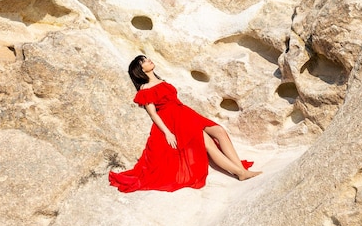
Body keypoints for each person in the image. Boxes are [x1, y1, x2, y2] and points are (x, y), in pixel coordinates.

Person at [109, 55, 261, 192]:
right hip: (174, 120)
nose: (148, 60)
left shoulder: (161, 80)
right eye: (144, 61)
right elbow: (153, 114)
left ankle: (240, 168)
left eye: (147, 58)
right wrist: (167, 132)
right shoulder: (145, 88)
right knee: (208, 144)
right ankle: (240, 173)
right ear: (140, 70)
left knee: (219, 131)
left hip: (186, 113)